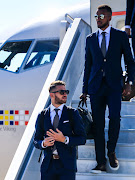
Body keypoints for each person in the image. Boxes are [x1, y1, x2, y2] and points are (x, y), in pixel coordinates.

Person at [80, 5, 135, 173]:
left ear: (110, 17)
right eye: (96, 16)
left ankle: (111, 151)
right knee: (98, 124)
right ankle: (101, 162)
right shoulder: (90, 39)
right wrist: (84, 89)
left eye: (101, 16)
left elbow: (130, 60)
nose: (98, 18)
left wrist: (129, 82)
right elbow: (88, 65)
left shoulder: (120, 36)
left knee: (115, 118)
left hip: (114, 85)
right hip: (95, 87)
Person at [34, 80, 86, 180]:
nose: (65, 94)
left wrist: (64, 139)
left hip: (67, 166)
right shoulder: (42, 115)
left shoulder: (72, 113)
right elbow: (36, 140)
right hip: (48, 166)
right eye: (62, 92)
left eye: (66, 92)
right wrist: (43, 143)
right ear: (52, 95)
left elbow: (82, 138)